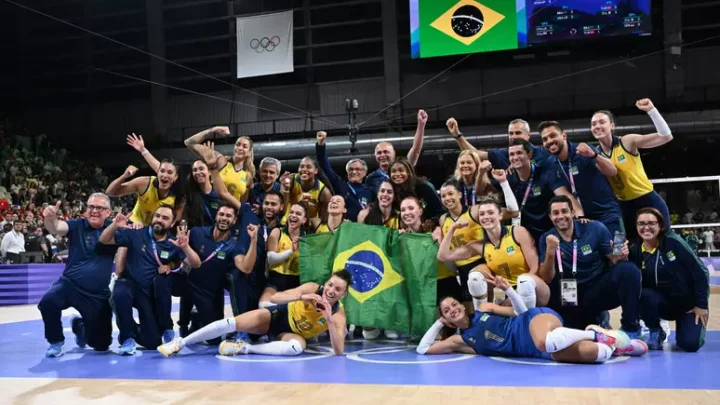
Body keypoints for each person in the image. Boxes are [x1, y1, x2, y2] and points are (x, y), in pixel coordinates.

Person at [416, 276, 646, 362]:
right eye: (446, 311)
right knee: (596, 354)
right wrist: (438, 323)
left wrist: (510, 291)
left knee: (545, 340)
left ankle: (595, 333)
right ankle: (616, 345)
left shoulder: (484, 308)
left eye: (454, 304)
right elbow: (423, 349)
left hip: (532, 321)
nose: (453, 309)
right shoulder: (461, 341)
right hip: (534, 351)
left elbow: (519, 312)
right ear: (445, 318)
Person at [157, 270, 352, 357]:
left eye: (338, 289)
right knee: (231, 322)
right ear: (326, 283)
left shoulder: (338, 313)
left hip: (291, 333)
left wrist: (328, 318)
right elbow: (275, 299)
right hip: (276, 316)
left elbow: (338, 350)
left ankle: (245, 349)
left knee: (296, 348)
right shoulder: (312, 288)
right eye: (330, 285)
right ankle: (179, 343)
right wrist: (301, 297)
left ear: (344, 293)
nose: (331, 291)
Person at [99, 205, 202, 354]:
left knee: (152, 342)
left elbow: (196, 263)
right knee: (120, 294)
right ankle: (127, 339)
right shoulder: (136, 233)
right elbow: (104, 240)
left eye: (165, 218)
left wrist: (185, 248)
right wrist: (114, 226)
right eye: (157, 216)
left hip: (149, 293)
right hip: (129, 284)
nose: (159, 220)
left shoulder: (174, 243)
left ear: (172, 223)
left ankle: (152, 328)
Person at [538, 195, 642, 340]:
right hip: (568, 296)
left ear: (573, 213)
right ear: (550, 216)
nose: (560, 216)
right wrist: (550, 253)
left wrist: (619, 256)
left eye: (564, 211)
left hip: (596, 289)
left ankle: (631, 328)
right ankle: (600, 318)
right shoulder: (546, 238)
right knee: (581, 335)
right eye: (556, 213)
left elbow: (613, 258)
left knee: (628, 269)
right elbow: (546, 278)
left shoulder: (595, 228)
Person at [37, 194, 116, 357]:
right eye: (91, 207)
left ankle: (79, 326)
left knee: (102, 345)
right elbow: (56, 227)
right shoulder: (77, 225)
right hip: (70, 284)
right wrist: (49, 218)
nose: (94, 211)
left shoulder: (114, 230)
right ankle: (56, 341)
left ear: (108, 212)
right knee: (47, 302)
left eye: (99, 208)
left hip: (97, 294)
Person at [438, 197, 549, 311]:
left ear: (500, 216)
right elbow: (443, 256)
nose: (486, 217)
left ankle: (527, 317)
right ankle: (480, 314)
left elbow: (535, 269)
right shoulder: (479, 246)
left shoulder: (518, 232)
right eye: (482, 214)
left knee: (524, 280)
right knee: (474, 278)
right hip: (505, 291)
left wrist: (514, 295)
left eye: (490, 213)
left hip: (533, 288)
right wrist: (452, 228)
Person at [629, 208, 709, 351]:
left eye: (651, 223)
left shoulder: (673, 242)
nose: (646, 227)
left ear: (660, 225)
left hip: (688, 305)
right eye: (641, 223)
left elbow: (700, 272)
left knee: (690, 345)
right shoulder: (633, 249)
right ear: (636, 226)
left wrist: (701, 305)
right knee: (641, 293)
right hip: (660, 303)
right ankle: (656, 330)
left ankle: (686, 328)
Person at [592, 99, 673, 237]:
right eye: (593, 124)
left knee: (666, 239)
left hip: (648, 199)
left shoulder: (627, 141)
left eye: (602, 122)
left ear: (612, 126)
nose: (597, 126)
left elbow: (666, 137)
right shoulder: (594, 154)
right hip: (623, 206)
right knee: (629, 246)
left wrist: (652, 111)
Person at [176, 205, 258, 340]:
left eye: (228, 216)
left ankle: (197, 318)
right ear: (216, 216)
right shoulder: (196, 233)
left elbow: (245, 268)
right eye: (221, 214)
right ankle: (183, 323)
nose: (224, 218)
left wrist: (253, 240)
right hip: (189, 284)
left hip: (209, 292)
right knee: (175, 282)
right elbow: (180, 256)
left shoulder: (233, 245)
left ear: (234, 220)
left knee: (213, 340)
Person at [480, 139, 584, 246]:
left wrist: (580, 217)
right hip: (524, 234)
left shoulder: (544, 174)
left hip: (549, 231)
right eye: (512, 154)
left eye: (519, 153)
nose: (515, 157)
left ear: (529, 155)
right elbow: (481, 191)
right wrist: (481, 172)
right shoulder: (507, 178)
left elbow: (565, 195)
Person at [539, 121, 624, 236]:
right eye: (545, 139)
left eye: (553, 135)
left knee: (618, 251)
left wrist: (593, 155)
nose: (549, 141)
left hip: (608, 214)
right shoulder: (550, 165)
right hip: (583, 220)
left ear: (564, 136)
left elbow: (612, 171)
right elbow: (565, 195)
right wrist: (580, 217)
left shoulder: (583, 150)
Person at [399, 197, 461, 303]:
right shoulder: (401, 238)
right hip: (421, 289)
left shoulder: (436, 232)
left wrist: (441, 243)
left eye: (411, 208)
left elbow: (453, 267)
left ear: (420, 211)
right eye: (403, 210)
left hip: (445, 284)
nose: (406, 212)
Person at [448, 117, 551, 169]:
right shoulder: (502, 155)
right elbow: (474, 154)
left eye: (518, 133)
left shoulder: (543, 153)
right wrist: (457, 135)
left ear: (528, 135)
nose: (514, 137)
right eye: (511, 133)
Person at [184, 126, 254, 202]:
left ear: (249, 152)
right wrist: (214, 129)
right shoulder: (221, 161)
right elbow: (189, 143)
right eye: (238, 144)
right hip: (213, 209)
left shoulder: (248, 175)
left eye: (244, 146)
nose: (240, 148)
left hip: (230, 213)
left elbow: (242, 203)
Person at [259, 202, 310, 306]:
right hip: (276, 279)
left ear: (304, 220)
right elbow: (271, 259)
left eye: (298, 214)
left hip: (297, 281)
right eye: (291, 212)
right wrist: (291, 251)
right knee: (264, 305)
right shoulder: (277, 232)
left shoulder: (308, 239)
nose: (293, 215)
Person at [316, 131, 374, 221]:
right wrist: (321, 144)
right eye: (351, 169)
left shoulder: (370, 191)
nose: (354, 172)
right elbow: (325, 166)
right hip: (344, 227)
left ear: (364, 173)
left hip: (364, 228)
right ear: (347, 172)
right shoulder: (341, 186)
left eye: (358, 169)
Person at [365, 110, 427, 193]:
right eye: (379, 153)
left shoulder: (404, 168)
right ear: (375, 156)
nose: (382, 155)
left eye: (386, 152)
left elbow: (416, 149)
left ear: (394, 153)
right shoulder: (371, 179)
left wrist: (421, 125)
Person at [280, 157, 332, 221]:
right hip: (287, 223)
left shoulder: (324, 192)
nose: (304, 169)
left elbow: (324, 220)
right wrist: (286, 189)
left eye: (308, 167)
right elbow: (281, 209)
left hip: (310, 226)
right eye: (301, 166)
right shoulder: (291, 180)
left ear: (316, 171)